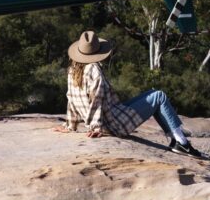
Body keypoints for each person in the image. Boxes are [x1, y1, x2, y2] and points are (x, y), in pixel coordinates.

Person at [54, 29, 202, 157]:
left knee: (153, 93)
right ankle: (182, 143)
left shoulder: (72, 71)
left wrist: (70, 125)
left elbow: (71, 99)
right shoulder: (93, 69)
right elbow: (96, 99)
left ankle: (176, 140)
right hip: (113, 124)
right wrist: (96, 127)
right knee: (160, 96)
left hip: (109, 115)